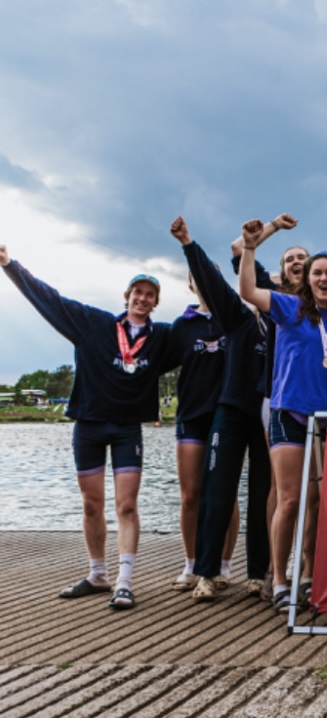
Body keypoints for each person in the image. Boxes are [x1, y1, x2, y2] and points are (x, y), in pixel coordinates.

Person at [1, 245, 176, 610]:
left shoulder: (161, 337)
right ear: (126, 297)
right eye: (137, 292)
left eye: (149, 295)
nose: (142, 299)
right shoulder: (93, 324)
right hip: (89, 426)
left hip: (127, 429)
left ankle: (125, 582)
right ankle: (98, 574)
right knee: (92, 503)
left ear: (155, 303)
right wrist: (9, 265)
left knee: (127, 506)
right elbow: (49, 299)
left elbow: (200, 337)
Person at [239, 219, 327, 611]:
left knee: (315, 501)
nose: (323, 278)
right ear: (308, 278)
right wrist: (251, 248)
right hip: (288, 411)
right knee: (288, 499)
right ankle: (279, 579)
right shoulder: (289, 306)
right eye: (317, 272)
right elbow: (249, 290)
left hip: (324, 419)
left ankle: (308, 575)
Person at [169, 217, 273, 600]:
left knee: (263, 494)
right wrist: (188, 243)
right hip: (230, 412)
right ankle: (207, 573)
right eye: (256, 290)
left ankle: (259, 574)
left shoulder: (283, 324)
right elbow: (211, 282)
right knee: (217, 492)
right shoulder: (238, 319)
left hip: (267, 417)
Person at [167, 263, 232, 592]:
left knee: (225, 495)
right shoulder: (181, 326)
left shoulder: (232, 317)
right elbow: (154, 365)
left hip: (226, 415)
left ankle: (223, 565)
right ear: (191, 284)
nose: (204, 281)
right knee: (191, 494)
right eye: (198, 277)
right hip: (192, 416)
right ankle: (191, 564)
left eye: (211, 275)